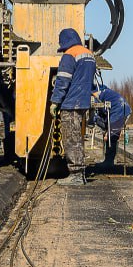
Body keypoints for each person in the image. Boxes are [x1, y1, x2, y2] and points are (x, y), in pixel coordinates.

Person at [49, 28, 96, 185]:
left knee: (71, 138)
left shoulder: (69, 55)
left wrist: (55, 102)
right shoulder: (89, 55)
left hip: (70, 103)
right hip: (83, 102)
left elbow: (62, 80)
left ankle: (75, 174)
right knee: (78, 137)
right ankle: (80, 173)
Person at [91, 84, 131, 171]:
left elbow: (95, 106)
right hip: (119, 110)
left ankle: (109, 162)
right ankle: (108, 161)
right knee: (109, 135)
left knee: (110, 138)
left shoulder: (96, 93)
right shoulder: (104, 91)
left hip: (118, 111)